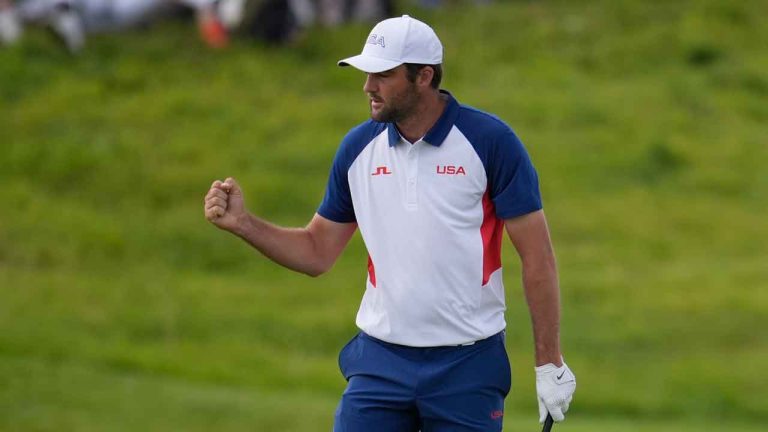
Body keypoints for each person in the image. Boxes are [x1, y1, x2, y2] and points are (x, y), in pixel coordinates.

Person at [204, 14, 576, 431]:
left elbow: (538, 258)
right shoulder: (358, 149)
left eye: (382, 74)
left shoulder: (490, 143)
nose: (368, 86)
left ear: (423, 77)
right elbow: (317, 251)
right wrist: (244, 224)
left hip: (468, 366)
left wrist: (549, 361)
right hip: (379, 363)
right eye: (367, 74)